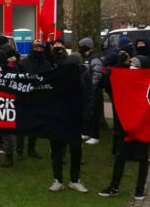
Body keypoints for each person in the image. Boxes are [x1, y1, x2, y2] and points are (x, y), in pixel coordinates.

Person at [99, 52, 150, 201]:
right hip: (125, 128)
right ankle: (114, 186)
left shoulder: (148, 84)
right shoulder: (125, 81)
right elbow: (108, 84)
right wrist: (119, 65)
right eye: (131, 64)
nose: (132, 67)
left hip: (141, 128)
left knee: (142, 159)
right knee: (120, 158)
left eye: (136, 65)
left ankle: (140, 189)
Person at [48, 53, 90, 193]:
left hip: (74, 122)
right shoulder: (58, 79)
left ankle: (74, 180)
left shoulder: (82, 79)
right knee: (57, 152)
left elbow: (86, 98)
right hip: (59, 121)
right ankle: (58, 179)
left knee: (75, 152)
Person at [79, 38, 105, 145]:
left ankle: (95, 136)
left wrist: (91, 88)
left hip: (93, 92)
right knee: (86, 113)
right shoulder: (84, 59)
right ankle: (86, 132)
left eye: (82, 46)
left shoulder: (94, 60)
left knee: (94, 114)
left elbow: (97, 75)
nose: (80, 48)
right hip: (85, 91)